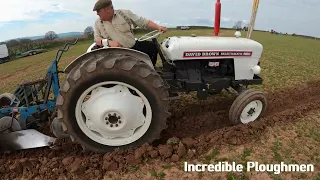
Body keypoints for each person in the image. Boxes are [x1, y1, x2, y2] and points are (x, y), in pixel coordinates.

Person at [92, 0, 167, 66]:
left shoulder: (125, 14)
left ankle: (150, 69)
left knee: (153, 47)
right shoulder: (98, 23)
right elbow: (97, 39)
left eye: (98, 11)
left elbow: (143, 22)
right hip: (116, 54)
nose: (97, 14)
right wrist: (109, 42)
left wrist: (158, 27)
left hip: (133, 48)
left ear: (107, 9)